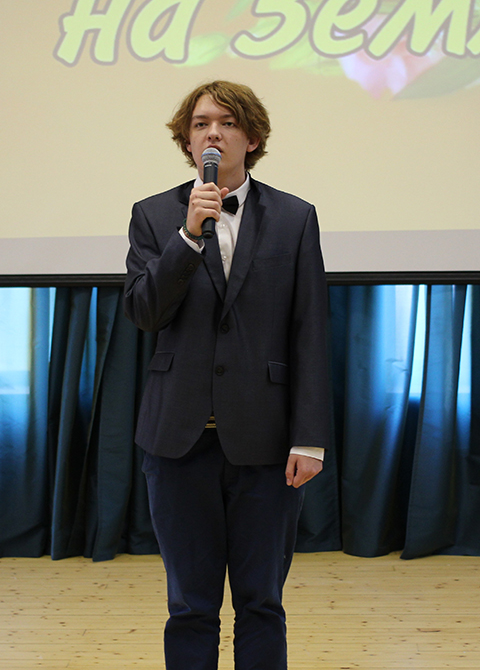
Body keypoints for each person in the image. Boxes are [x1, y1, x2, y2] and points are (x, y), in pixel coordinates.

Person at [123, 80, 331, 670]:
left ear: (252, 137)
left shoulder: (294, 217)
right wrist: (187, 237)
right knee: (190, 605)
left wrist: (310, 437)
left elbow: (310, 330)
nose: (212, 133)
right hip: (177, 440)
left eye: (227, 122)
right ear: (187, 143)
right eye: (200, 124)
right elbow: (144, 312)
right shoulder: (153, 215)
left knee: (261, 602)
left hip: (266, 441)